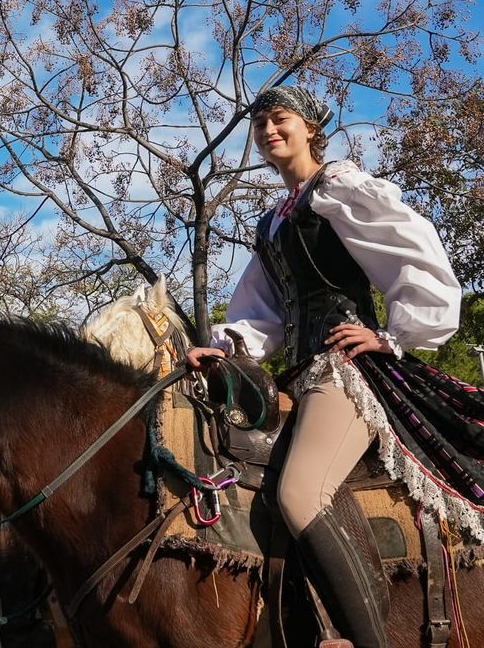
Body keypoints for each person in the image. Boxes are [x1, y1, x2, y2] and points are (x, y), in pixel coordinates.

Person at [186, 85, 476, 648]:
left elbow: (417, 253)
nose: (269, 130)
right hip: (296, 376)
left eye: (280, 119)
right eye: (260, 123)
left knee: (301, 494)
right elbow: (262, 316)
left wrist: (393, 335)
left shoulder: (339, 187)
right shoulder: (273, 222)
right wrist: (222, 348)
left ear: (311, 127)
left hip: (342, 370)